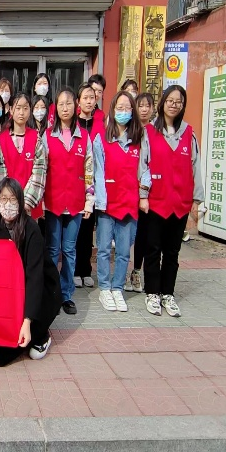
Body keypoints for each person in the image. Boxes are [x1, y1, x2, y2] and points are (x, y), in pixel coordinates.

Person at [141, 85, 204, 317]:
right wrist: (143, 195)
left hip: (180, 203)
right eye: (170, 100)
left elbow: (195, 166)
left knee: (172, 251)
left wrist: (197, 198)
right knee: (152, 249)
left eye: (179, 101)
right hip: (156, 201)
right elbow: (143, 166)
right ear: (163, 102)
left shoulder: (189, 133)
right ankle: (152, 293)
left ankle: (168, 293)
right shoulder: (149, 132)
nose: (174, 105)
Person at [0, 179, 63, 367]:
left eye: (13, 199)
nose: (8, 204)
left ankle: (42, 333)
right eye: (3, 199)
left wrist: (27, 321)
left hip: (41, 290)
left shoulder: (31, 229)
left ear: (20, 202)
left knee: (8, 355)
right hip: (12, 288)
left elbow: (35, 277)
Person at [93, 91, 150, 313]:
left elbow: (145, 168)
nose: (124, 112)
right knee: (104, 249)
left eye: (128, 108)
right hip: (107, 203)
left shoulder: (139, 138)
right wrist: (100, 200)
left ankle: (118, 288)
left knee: (124, 251)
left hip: (129, 203)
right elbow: (97, 171)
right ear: (113, 110)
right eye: (120, 108)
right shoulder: (102, 138)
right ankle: (105, 288)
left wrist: (143, 195)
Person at [43, 87, 94, 315]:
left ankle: (66, 294)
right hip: (52, 202)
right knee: (53, 250)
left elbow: (89, 170)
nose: (65, 108)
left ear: (76, 106)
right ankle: (52, 292)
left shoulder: (84, 137)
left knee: (69, 250)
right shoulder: (47, 136)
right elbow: (41, 170)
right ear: (56, 108)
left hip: (75, 203)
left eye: (69, 103)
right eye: (61, 104)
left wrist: (89, 200)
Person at [0, 93, 46, 222]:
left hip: (30, 207)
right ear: (11, 110)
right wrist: (11, 201)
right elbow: (0, 173)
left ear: (30, 110)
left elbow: (39, 172)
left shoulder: (36, 138)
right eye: (18, 108)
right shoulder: (1, 140)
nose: (21, 112)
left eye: (25, 108)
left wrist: (26, 202)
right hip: (8, 207)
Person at [74, 83, 105, 288]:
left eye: (92, 98)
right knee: (76, 229)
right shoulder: (73, 123)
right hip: (76, 181)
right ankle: (76, 270)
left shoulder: (101, 124)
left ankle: (86, 269)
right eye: (85, 97)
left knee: (88, 228)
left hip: (94, 182)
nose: (88, 101)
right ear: (78, 101)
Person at [125, 92, 154, 293]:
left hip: (149, 192)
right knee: (127, 235)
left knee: (143, 234)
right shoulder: (129, 130)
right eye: (140, 105)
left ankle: (136, 271)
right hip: (128, 189)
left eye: (147, 106)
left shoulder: (155, 132)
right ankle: (123, 272)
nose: (143, 109)